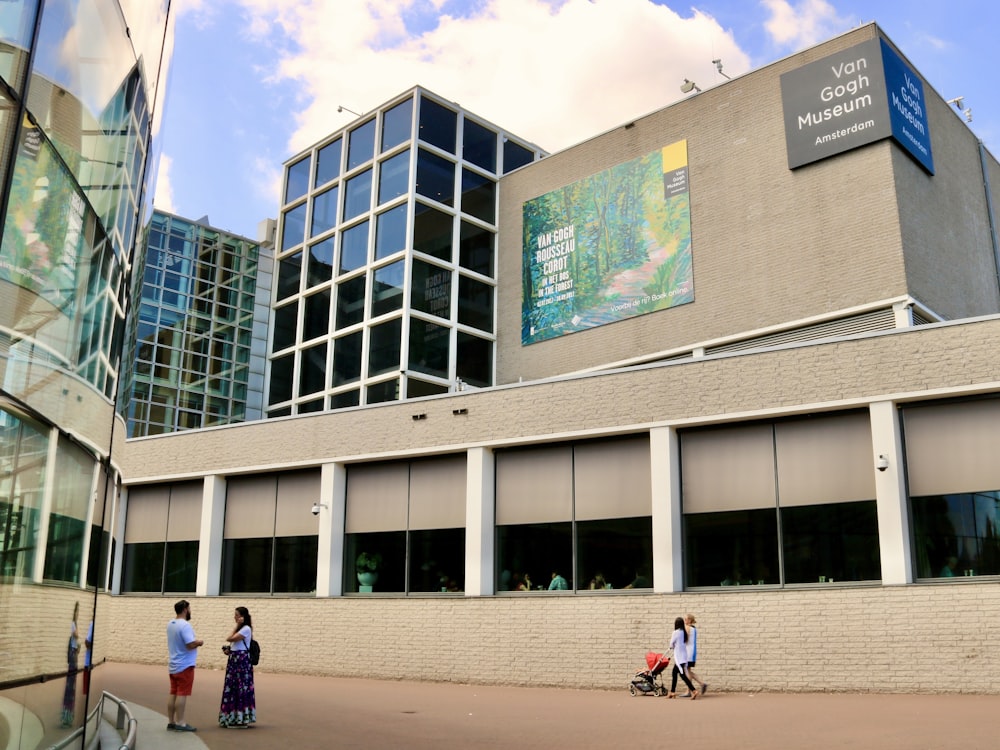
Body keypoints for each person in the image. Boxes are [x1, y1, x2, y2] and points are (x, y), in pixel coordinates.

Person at [167, 599, 203, 732]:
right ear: (185, 609)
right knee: (182, 693)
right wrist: (199, 642)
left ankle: (171, 721)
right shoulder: (185, 625)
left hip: (173, 664)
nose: (190, 611)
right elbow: (189, 644)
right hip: (185, 665)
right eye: (189, 608)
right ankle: (181, 722)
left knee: (173, 692)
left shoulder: (170, 624)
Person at [219, 606, 257, 728]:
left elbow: (229, 638)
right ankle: (232, 717)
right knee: (233, 687)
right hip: (235, 660)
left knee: (239, 688)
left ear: (242, 617)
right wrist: (230, 651)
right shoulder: (242, 629)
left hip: (241, 662)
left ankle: (240, 719)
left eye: (236, 615)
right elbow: (236, 644)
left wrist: (236, 626)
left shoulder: (246, 629)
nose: (234, 617)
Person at [667, 616, 698, 699]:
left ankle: (694, 690)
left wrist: (673, 646)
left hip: (678, 657)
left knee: (682, 675)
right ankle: (672, 692)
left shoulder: (675, 632)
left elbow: (671, 644)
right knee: (675, 673)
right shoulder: (683, 632)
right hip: (684, 656)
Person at [60, 602, 80, 727]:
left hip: (74, 656)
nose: (78, 614)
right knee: (70, 686)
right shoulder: (73, 625)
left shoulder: (74, 625)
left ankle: (68, 716)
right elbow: (76, 635)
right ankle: (66, 716)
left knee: (72, 687)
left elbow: (77, 642)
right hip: (73, 657)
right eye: (77, 611)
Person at [680, 613, 707, 697]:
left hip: (688, 652)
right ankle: (701, 684)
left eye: (686, 619)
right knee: (688, 671)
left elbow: (685, 639)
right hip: (692, 652)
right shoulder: (694, 628)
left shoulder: (687, 627)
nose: (684, 620)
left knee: (686, 671)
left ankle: (690, 690)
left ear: (690, 620)